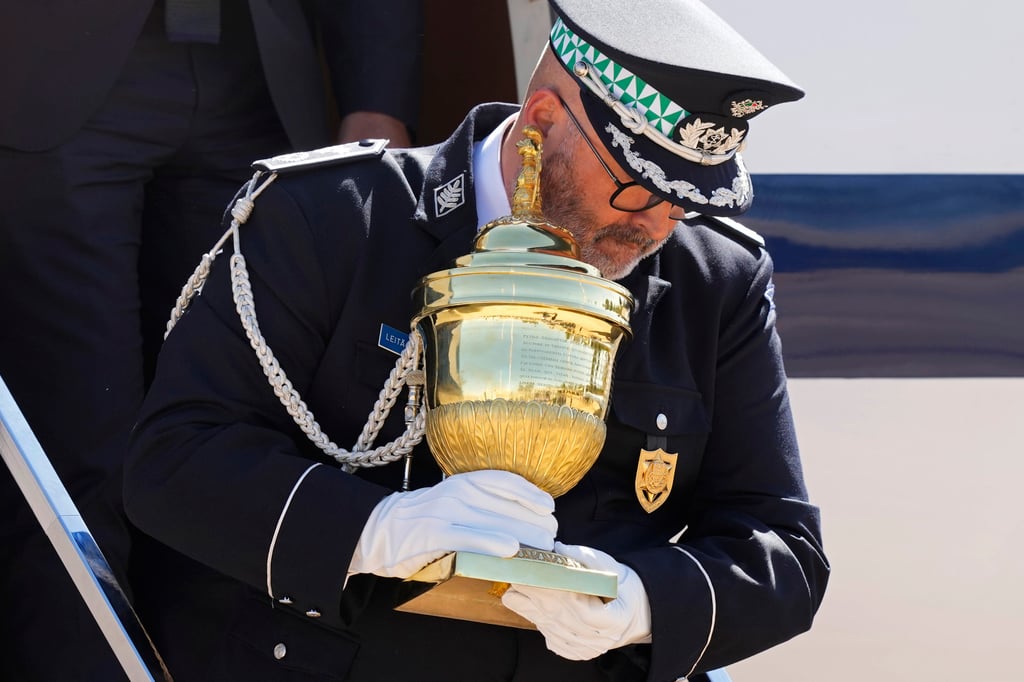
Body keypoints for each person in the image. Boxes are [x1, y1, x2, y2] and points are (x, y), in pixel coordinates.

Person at [124, 0, 829, 679]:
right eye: (640, 185)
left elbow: (785, 552)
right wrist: (378, 530)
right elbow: (176, 460)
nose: (659, 226)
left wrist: (638, 602)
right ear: (542, 124)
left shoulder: (717, 280)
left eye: (691, 198)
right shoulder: (330, 217)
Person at [0, 1, 421, 679]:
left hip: (262, 78)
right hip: (48, 70)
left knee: (240, 445)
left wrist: (376, 95)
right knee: (81, 448)